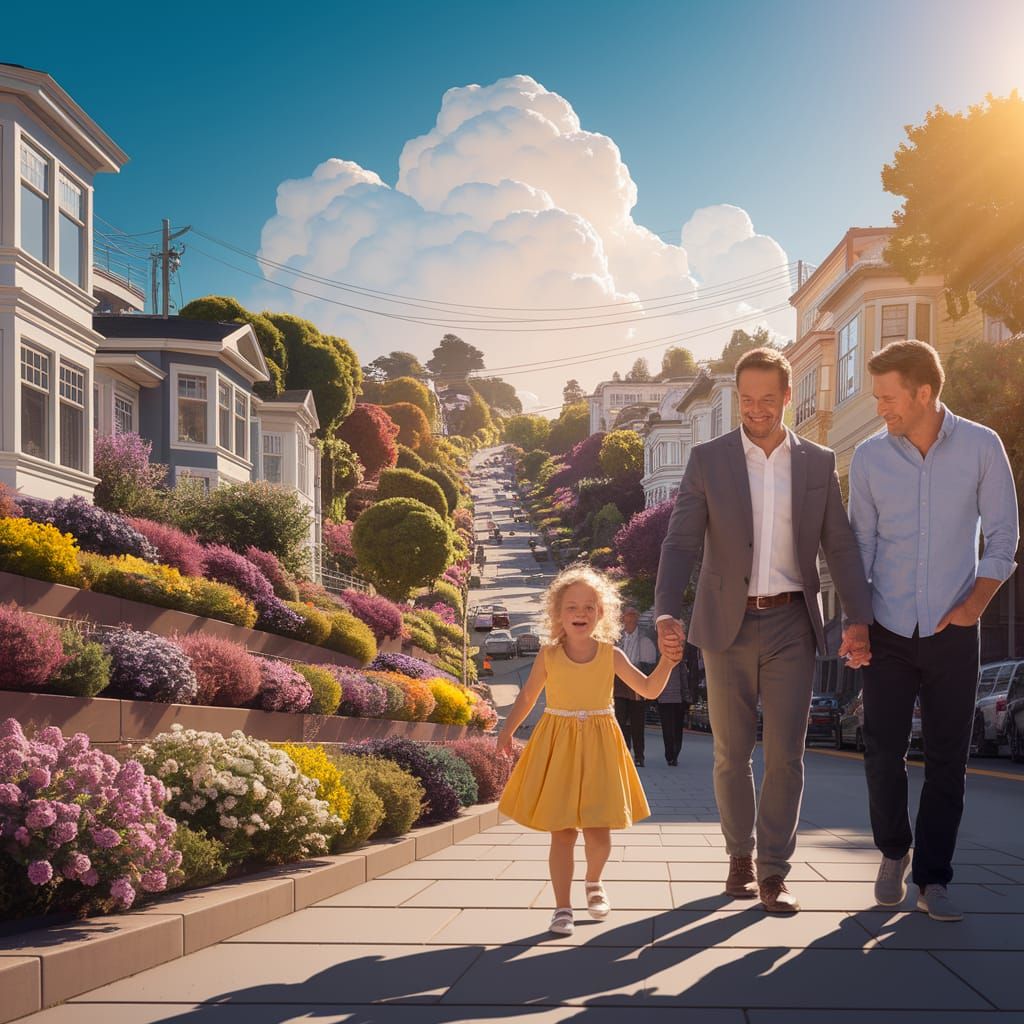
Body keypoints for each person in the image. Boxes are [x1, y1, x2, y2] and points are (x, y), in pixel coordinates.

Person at [654, 346, 873, 914]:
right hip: (725, 624)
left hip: (791, 624)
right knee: (730, 753)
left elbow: (840, 543)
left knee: (786, 755)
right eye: (746, 399)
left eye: (767, 399)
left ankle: (774, 870)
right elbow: (680, 542)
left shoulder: (818, 463)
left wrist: (858, 619)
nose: (756, 409)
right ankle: (739, 857)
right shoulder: (708, 460)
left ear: (786, 394)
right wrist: (665, 611)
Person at [849, 340, 1018, 922]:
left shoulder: (981, 447)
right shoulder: (870, 458)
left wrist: (974, 606)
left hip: (953, 629)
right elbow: (861, 546)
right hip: (889, 627)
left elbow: (1002, 537)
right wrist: (856, 623)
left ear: (924, 393)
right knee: (880, 751)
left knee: (948, 759)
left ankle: (934, 878)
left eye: (889, 398)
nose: (882, 409)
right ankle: (895, 849)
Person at [496, 566, 680, 936]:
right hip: (558, 743)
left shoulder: (609, 654)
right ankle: (562, 907)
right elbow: (529, 697)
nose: (580, 613)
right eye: (571, 607)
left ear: (601, 613)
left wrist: (668, 661)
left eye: (589, 606)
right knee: (562, 832)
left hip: (599, 745)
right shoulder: (548, 655)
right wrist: (506, 732)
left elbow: (647, 690)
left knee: (599, 833)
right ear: (558, 614)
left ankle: (594, 882)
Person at [613, 604, 657, 766]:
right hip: (618, 684)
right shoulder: (617, 639)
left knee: (637, 722)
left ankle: (639, 755)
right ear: (622, 618)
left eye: (633, 615)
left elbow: (649, 663)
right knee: (619, 721)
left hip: (637, 682)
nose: (630, 618)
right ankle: (623, 753)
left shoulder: (644, 639)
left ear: (637, 618)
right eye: (628, 615)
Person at [657, 641, 699, 766]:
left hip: (671, 699)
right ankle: (672, 754)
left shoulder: (675, 662)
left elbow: (683, 681)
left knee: (671, 729)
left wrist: (685, 696)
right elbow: (683, 681)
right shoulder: (667, 661)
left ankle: (672, 755)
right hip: (669, 699)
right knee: (672, 729)